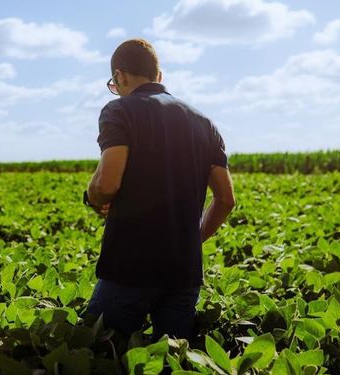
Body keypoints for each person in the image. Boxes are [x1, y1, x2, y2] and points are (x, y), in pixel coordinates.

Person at [83, 38, 235, 342]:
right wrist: (192, 239)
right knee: (171, 362)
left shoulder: (120, 110)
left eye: (115, 83)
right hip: (184, 273)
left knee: (98, 354)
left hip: (129, 267)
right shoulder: (204, 122)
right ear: (159, 76)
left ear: (120, 76)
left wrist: (92, 197)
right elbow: (226, 199)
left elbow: (107, 183)